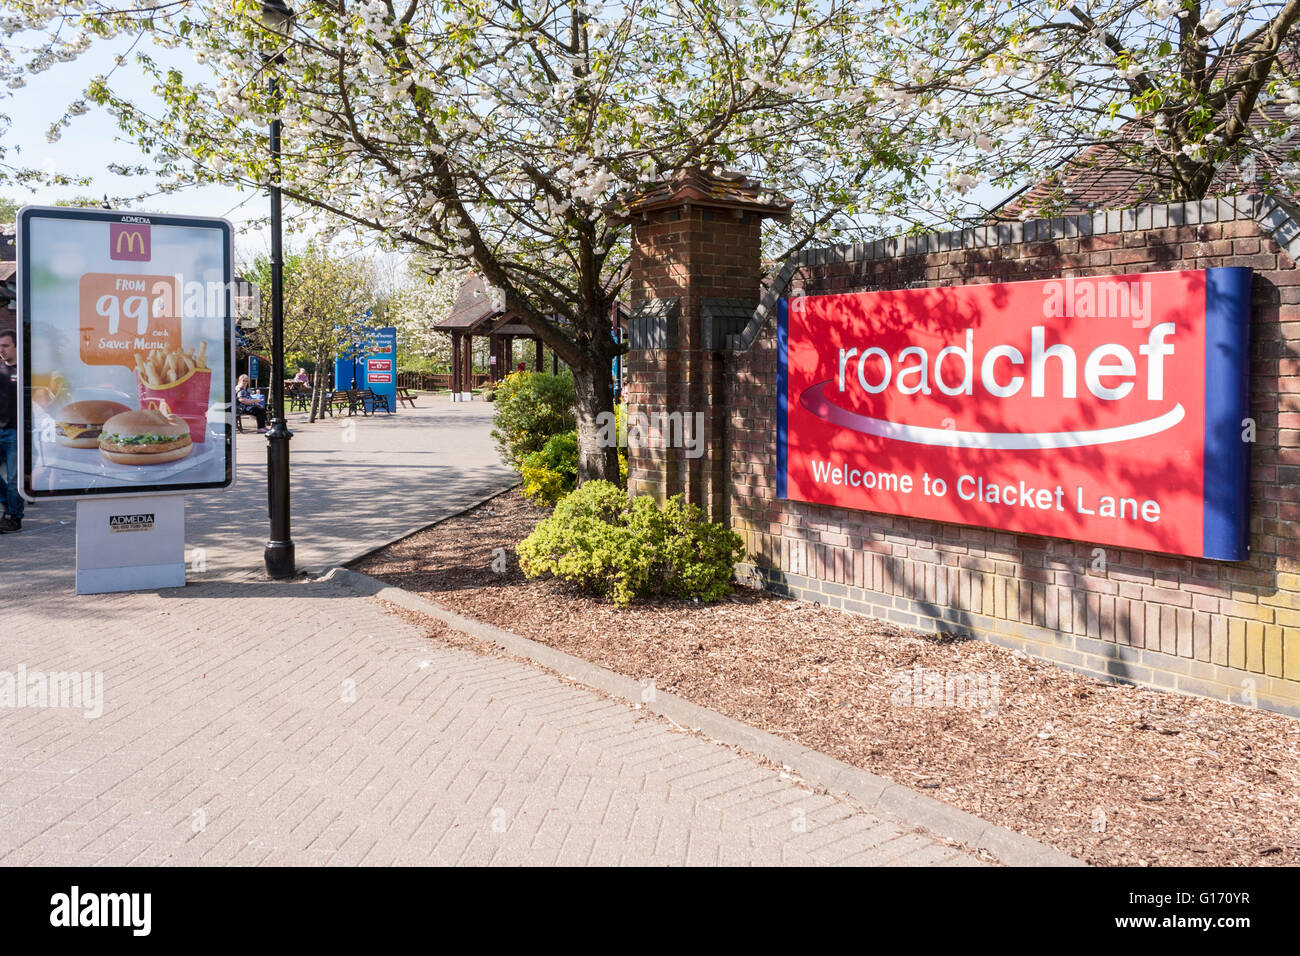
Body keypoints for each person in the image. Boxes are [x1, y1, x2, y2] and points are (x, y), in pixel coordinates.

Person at [0, 329, 23, 533]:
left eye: (6, 345)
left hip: (15, 432)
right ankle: (8, 502)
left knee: (14, 478)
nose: (1, 350)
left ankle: (14, 517)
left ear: (16, 346)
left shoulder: (24, 370)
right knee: (8, 482)